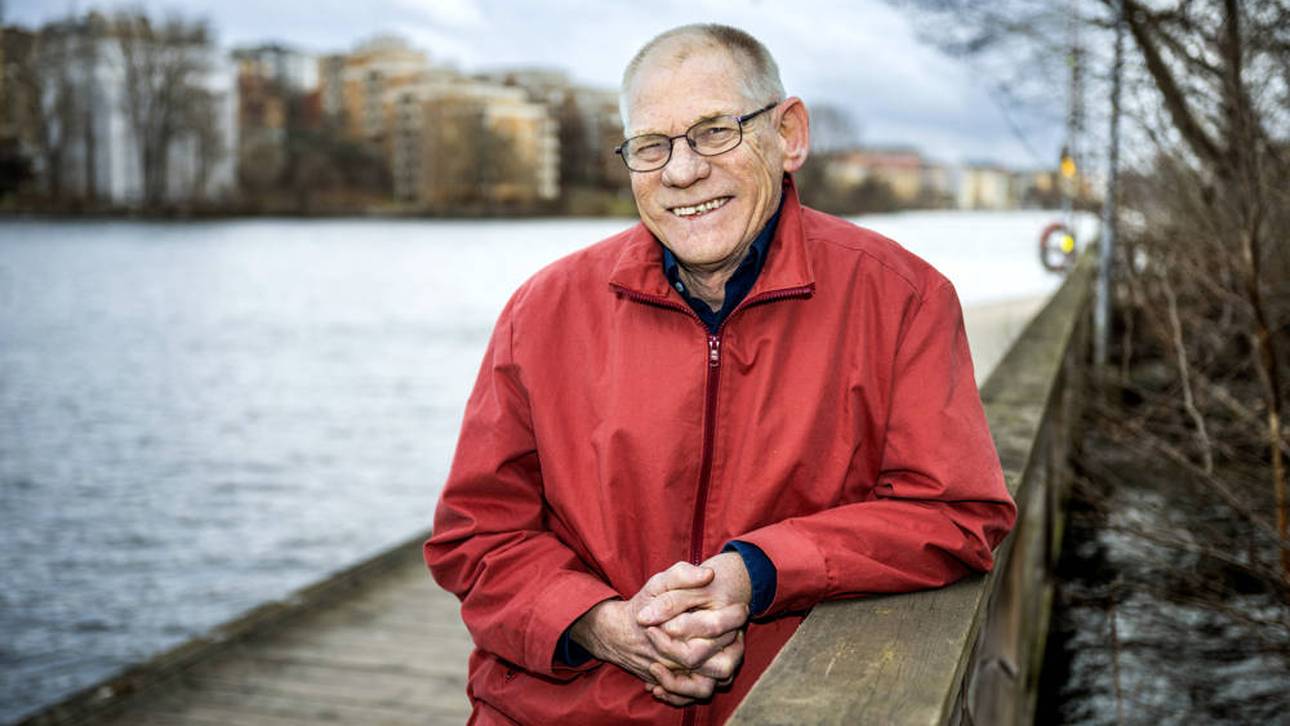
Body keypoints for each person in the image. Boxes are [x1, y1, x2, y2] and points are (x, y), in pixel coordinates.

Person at [426, 23, 1016, 725]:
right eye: (652, 145)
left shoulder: (901, 298)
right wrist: (599, 624)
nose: (682, 173)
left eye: (714, 132)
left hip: (785, 704)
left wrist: (759, 573)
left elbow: (956, 512)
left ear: (788, 134)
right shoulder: (543, 311)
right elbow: (477, 534)